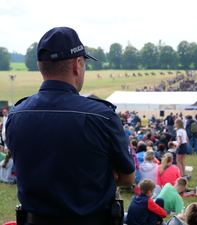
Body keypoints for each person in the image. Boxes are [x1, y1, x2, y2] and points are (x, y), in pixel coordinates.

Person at [6, 27, 135, 225]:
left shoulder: (15, 115)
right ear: (77, 65)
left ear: (41, 66)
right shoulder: (101, 116)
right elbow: (127, 178)